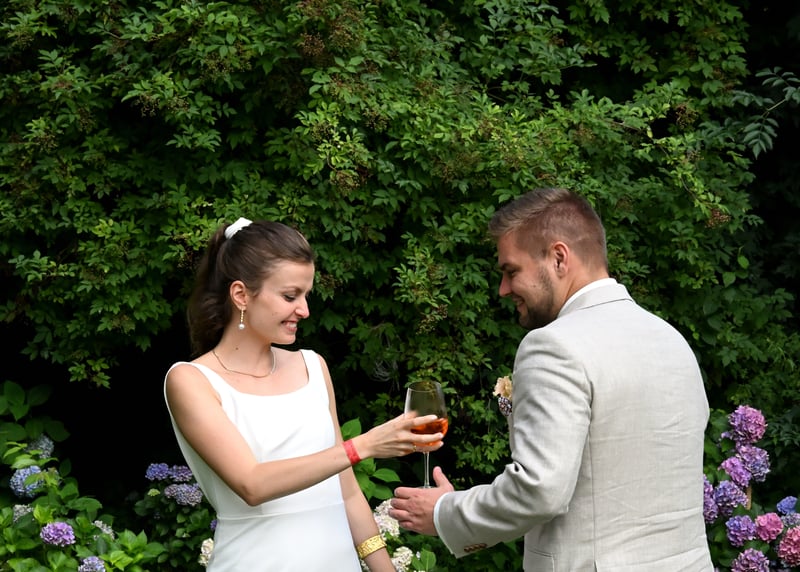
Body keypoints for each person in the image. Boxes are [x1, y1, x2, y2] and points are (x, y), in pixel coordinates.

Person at [389, 188, 714, 571]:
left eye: (511, 271)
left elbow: (539, 489)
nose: (503, 289)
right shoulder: (671, 339)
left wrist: (444, 512)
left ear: (559, 257)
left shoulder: (554, 345)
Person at [164, 217, 443, 572]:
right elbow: (252, 483)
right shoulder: (191, 381)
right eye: (289, 296)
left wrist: (383, 567)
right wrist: (363, 446)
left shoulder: (313, 366)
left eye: (305, 295)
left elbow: (347, 492)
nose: (305, 310)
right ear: (241, 295)